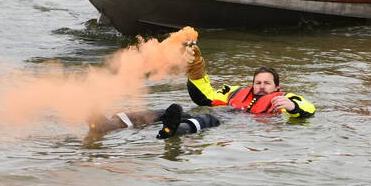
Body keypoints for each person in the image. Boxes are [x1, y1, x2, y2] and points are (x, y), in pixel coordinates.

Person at [184, 44, 316, 118]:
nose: (262, 86)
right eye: (258, 83)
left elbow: (310, 109)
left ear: (277, 87)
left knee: (207, 120)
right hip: (226, 118)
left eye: (267, 83)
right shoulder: (235, 92)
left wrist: (293, 107)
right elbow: (205, 98)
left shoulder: (285, 99)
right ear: (253, 85)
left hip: (254, 129)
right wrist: (196, 72)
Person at [86, 102, 222, 140]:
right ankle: (172, 131)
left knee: (211, 118)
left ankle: (110, 124)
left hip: (221, 114)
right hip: (191, 114)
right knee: (207, 118)